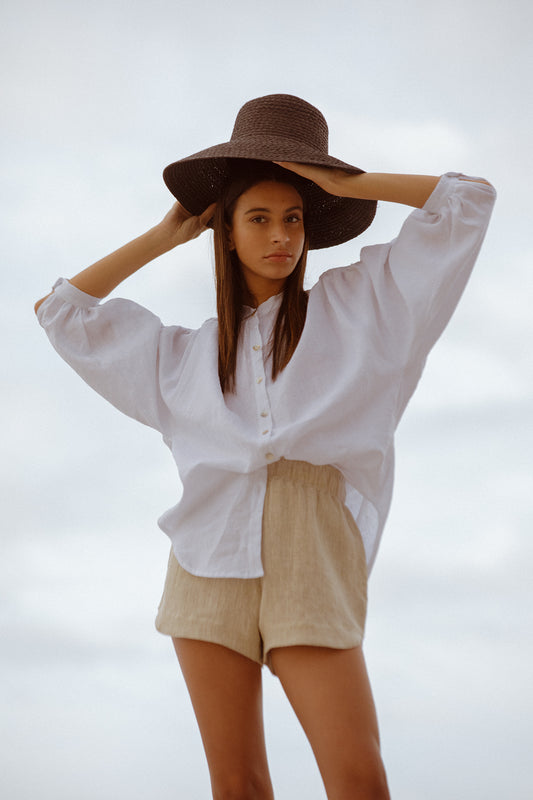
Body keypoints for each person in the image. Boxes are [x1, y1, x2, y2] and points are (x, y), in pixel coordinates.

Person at [35, 94, 496, 800]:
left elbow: (466, 200)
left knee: (358, 780)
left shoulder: (360, 307)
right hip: (204, 559)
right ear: (226, 230)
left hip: (310, 548)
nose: (281, 235)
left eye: (294, 218)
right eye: (258, 218)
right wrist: (167, 235)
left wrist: (348, 183)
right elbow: (61, 313)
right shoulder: (181, 359)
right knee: (237, 786)